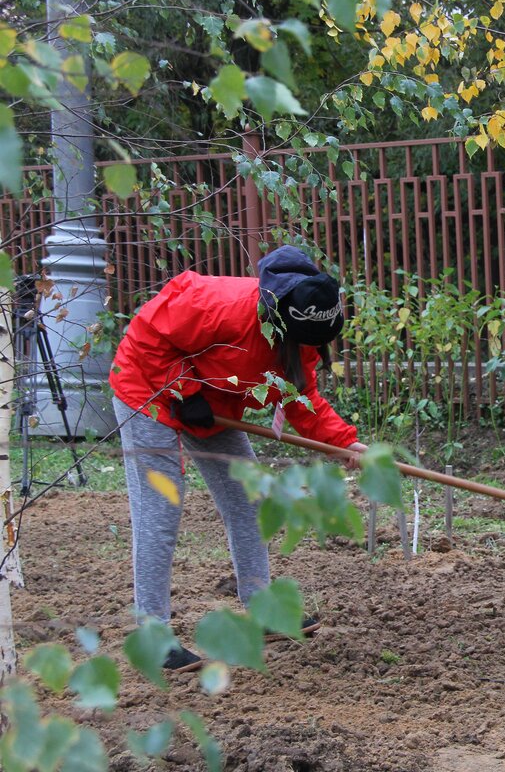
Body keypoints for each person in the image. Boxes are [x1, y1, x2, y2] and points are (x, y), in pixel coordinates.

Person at [110, 246, 369, 671]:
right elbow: (147, 334)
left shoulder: (302, 327)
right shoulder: (217, 305)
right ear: (278, 317)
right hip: (148, 391)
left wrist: (343, 443)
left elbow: (299, 394)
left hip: (213, 402)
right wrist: (184, 391)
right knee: (160, 510)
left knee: (248, 500)